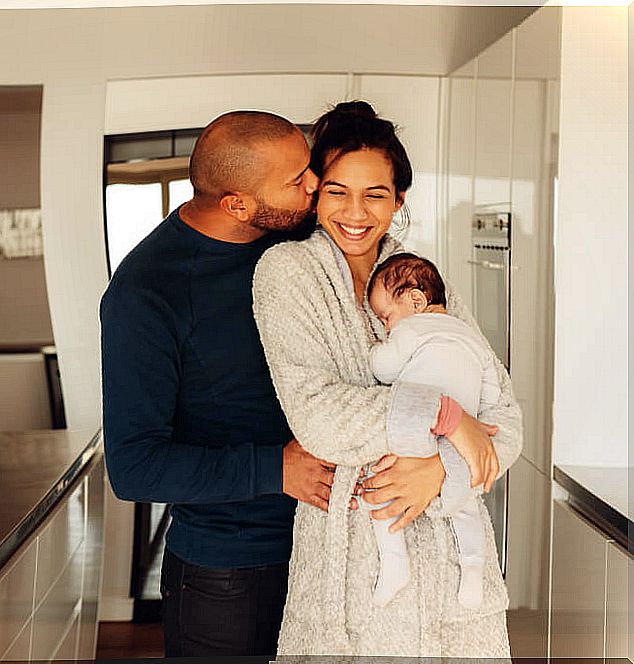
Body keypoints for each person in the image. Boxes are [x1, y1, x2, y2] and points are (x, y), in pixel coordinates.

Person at [252, 101, 522, 657]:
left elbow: (504, 419)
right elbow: (319, 416)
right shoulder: (286, 274)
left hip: (453, 568)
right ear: (314, 193)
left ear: (399, 200)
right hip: (351, 562)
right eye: (337, 191)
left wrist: (438, 471)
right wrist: (450, 422)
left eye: (376, 193)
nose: (356, 211)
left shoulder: (422, 281)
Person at [100, 110, 334, 657]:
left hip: (327, 549)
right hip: (229, 576)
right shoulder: (144, 295)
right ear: (237, 204)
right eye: (296, 180)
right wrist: (276, 468)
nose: (314, 185)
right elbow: (134, 467)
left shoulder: (290, 239)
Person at [365, 252, 501, 609]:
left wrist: (376, 351)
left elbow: (387, 369)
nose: (387, 326)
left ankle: (394, 563)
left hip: (419, 423)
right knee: (465, 504)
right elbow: (492, 390)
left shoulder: (411, 328)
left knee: (378, 482)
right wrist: (478, 419)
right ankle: (474, 569)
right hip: (461, 438)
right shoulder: (471, 336)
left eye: (386, 317)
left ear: (416, 300)